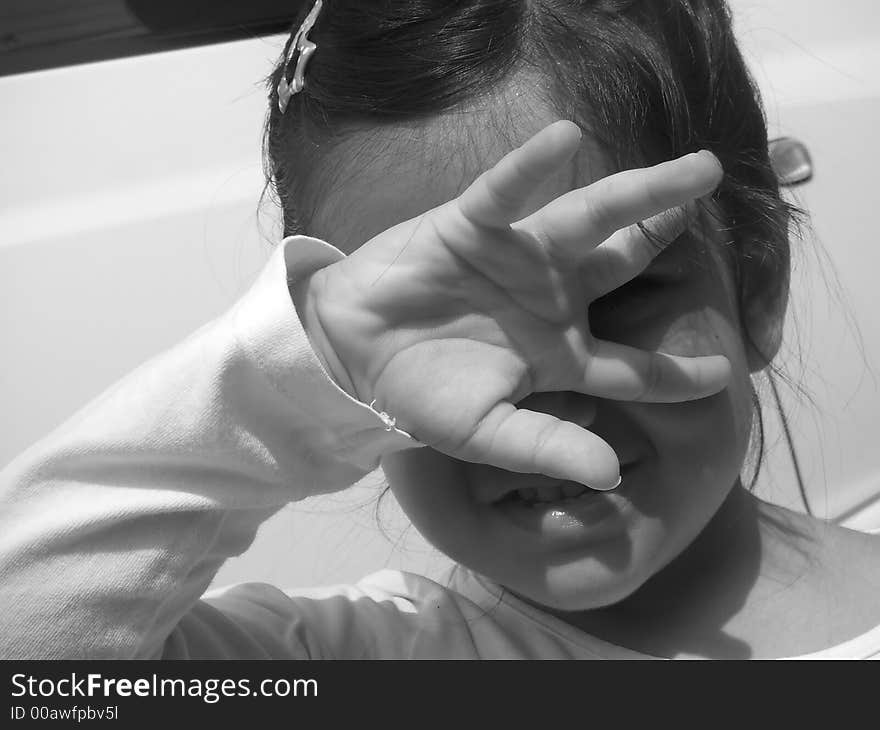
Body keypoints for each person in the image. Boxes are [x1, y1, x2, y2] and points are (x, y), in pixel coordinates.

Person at [1, 0, 878, 660]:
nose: (530, 399)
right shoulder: (342, 660)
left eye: (614, 297)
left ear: (754, 287)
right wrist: (303, 375)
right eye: (425, 337)